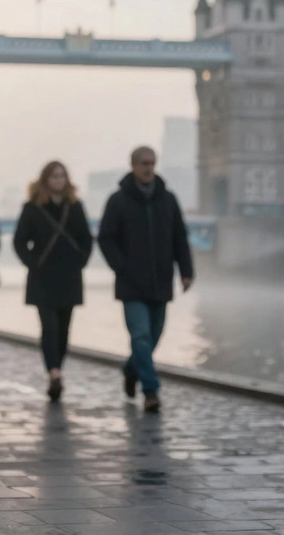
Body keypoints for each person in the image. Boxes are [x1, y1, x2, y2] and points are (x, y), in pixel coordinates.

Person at [97, 146, 194, 413]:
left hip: (161, 282)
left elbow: (179, 238)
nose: (148, 168)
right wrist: (121, 266)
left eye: (152, 163)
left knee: (152, 338)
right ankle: (151, 392)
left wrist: (186, 272)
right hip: (131, 285)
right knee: (140, 336)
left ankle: (131, 369)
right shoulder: (118, 201)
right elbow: (106, 238)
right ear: (133, 165)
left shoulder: (168, 200)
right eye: (143, 163)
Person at [13, 161, 93, 403]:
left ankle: (57, 368)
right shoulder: (32, 208)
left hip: (69, 276)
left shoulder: (76, 207)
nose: (58, 180)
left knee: (64, 330)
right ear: (45, 179)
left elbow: (87, 239)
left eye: (62, 176)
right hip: (43, 278)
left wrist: (80, 261)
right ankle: (54, 373)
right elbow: (19, 241)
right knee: (49, 327)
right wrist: (33, 263)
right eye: (54, 176)